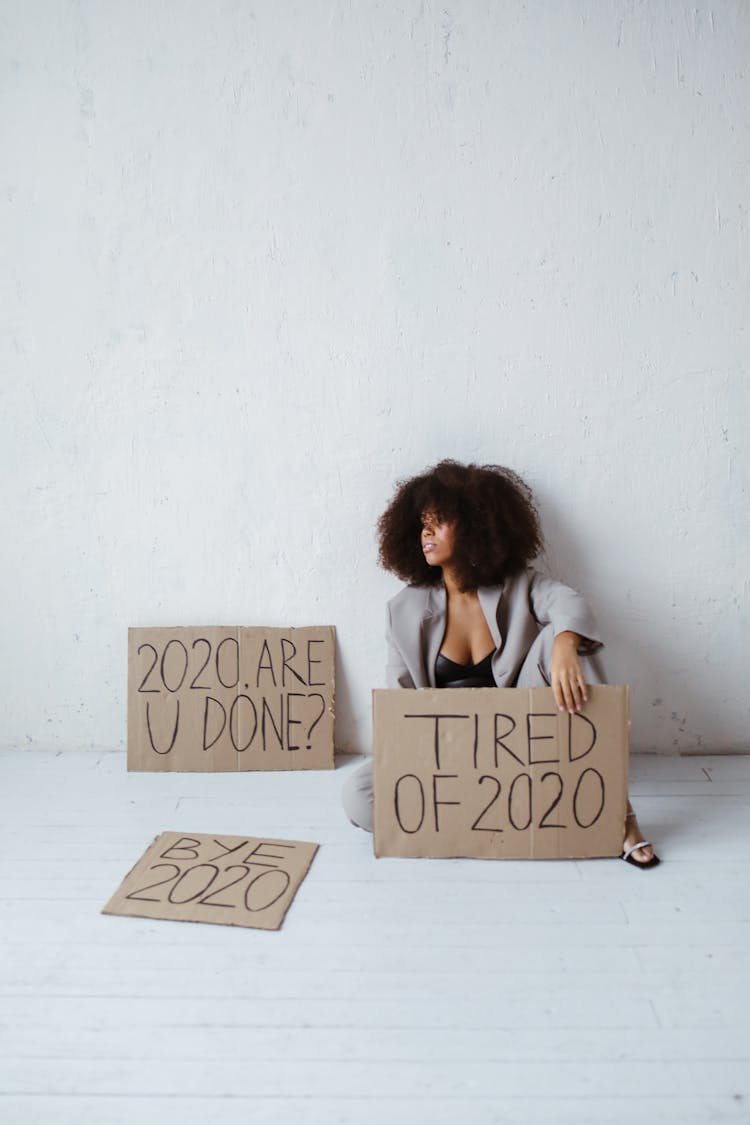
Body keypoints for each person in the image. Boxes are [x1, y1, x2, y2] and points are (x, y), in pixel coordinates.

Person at [342, 459, 659, 868]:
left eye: (438, 521)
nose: (426, 532)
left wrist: (564, 643)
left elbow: (568, 603)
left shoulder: (520, 585)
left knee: (565, 640)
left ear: (474, 525)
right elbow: (397, 707)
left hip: (522, 744)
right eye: (422, 523)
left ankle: (620, 816)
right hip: (445, 751)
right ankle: (485, 815)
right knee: (356, 794)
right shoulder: (402, 611)